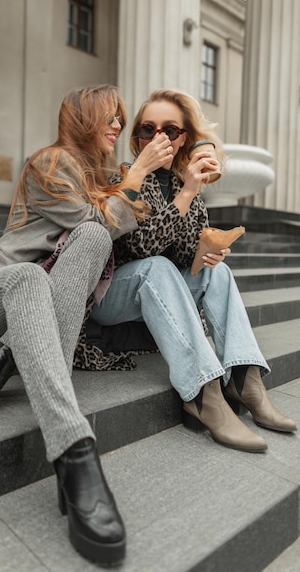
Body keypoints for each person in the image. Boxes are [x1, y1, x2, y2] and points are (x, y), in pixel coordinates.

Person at [0, 84, 171, 565]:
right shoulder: (49, 162)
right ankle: (75, 453)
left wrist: (179, 184)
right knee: (39, 266)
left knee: (91, 238)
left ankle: (15, 352)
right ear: (82, 117)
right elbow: (95, 218)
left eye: (120, 117)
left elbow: (125, 229)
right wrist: (132, 177)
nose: (118, 124)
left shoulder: (109, 175)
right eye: (109, 116)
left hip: (42, 303)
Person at [90, 88, 297, 453]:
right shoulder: (124, 175)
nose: (158, 138)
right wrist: (186, 192)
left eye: (170, 130)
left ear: (184, 137)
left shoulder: (191, 185)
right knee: (155, 267)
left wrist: (206, 254)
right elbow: (140, 248)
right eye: (148, 130)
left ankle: (245, 378)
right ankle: (204, 394)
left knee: (219, 272)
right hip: (111, 298)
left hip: (161, 296)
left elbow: (186, 259)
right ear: (137, 138)